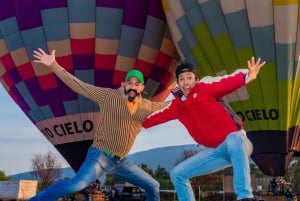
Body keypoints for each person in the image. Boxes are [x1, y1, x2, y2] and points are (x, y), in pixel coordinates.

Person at [28, 48, 170, 201]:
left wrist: (187, 93)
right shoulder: (109, 96)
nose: (133, 87)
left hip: (120, 161)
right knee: (76, 185)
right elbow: (80, 86)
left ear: (142, 87)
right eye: (130, 83)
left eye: (137, 84)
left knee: (153, 186)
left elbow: (170, 106)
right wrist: (53, 65)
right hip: (101, 156)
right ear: (124, 84)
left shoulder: (147, 106)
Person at [143, 57, 266, 201]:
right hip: (214, 152)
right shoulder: (177, 106)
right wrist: (134, 117)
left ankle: (245, 196)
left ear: (196, 79)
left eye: (189, 78)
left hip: (237, 143)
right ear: (177, 83)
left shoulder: (205, 88)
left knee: (234, 138)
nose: (186, 82)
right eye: (181, 79)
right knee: (177, 174)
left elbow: (227, 83)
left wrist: (248, 75)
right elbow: (150, 120)